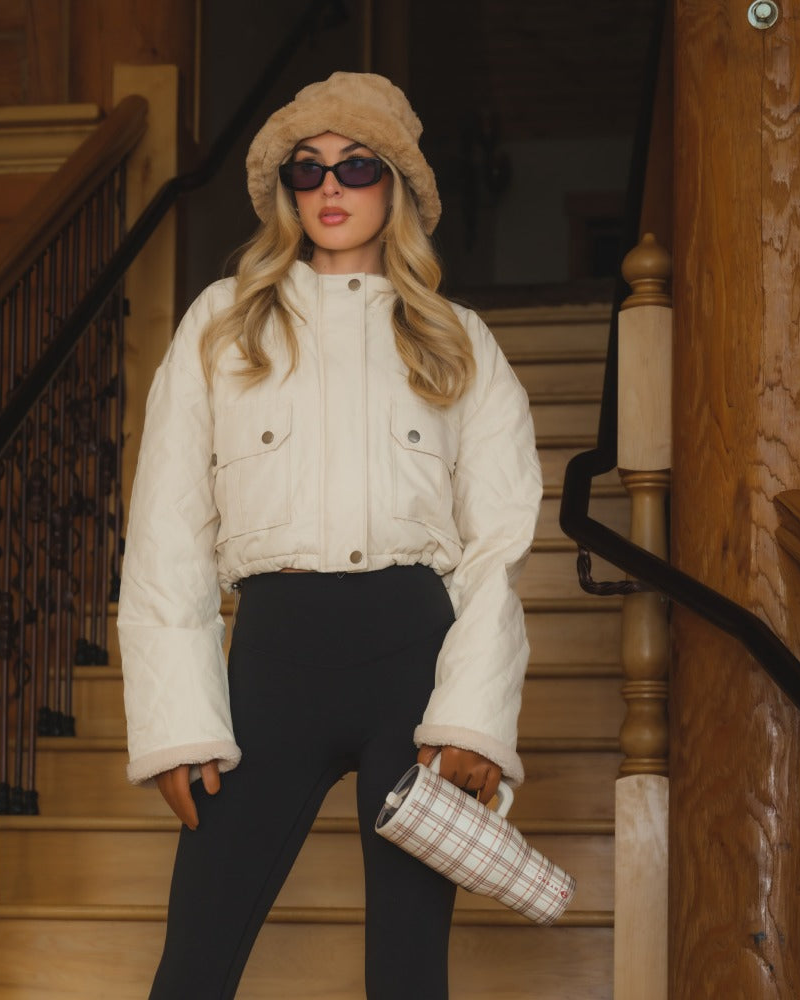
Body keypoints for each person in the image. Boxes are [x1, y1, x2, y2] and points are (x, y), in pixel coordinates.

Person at [117, 71, 542, 1000]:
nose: (331, 188)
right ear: (284, 193)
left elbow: (498, 546)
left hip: (415, 661)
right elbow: (165, 535)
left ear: (398, 188)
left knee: (407, 971)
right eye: (307, 172)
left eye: (358, 165)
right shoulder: (221, 325)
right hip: (273, 658)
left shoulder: (459, 340)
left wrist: (471, 716)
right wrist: (177, 723)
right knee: (194, 960)